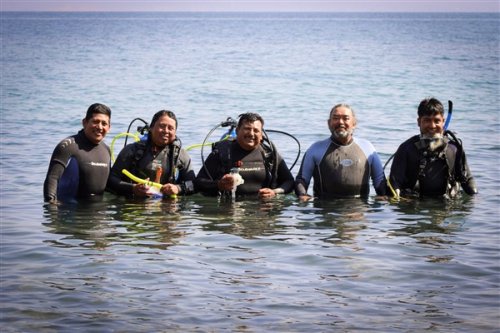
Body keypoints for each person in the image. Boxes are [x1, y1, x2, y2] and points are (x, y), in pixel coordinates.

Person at [295, 103, 387, 200]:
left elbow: (380, 181)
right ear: (329, 123)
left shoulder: (368, 148)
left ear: (354, 123)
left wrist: (384, 196)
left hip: (359, 210)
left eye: (346, 118)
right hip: (326, 209)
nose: (340, 122)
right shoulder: (315, 149)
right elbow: (302, 180)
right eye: (336, 118)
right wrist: (302, 195)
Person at [389, 97, 477, 198]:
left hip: (447, 208)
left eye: (437, 121)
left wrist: (475, 197)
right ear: (419, 122)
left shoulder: (454, 149)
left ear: (443, 121)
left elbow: (467, 179)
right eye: (427, 120)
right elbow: (394, 183)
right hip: (414, 207)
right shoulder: (406, 149)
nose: (432, 126)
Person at [195, 112, 294, 199]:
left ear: (261, 134)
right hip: (229, 212)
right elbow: (198, 183)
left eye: (256, 130)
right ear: (237, 130)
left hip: (261, 212)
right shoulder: (221, 153)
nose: (251, 134)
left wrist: (274, 192)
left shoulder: (269, 154)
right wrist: (219, 185)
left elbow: (289, 181)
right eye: (247, 129)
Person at [107, 110, 195, 198]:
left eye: (170, 128)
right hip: (134, 204)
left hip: (166, 207)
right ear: (151, 128)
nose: (166, 131)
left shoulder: (180, 155)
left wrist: (178, 188)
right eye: (162, 126)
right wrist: (132, 189)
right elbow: (111, 180)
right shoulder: (132, 150)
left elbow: (193, 185)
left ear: (175, 133)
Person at [44, 103, 112, 203]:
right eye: (95, 122)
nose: (100, 127)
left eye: (104, 123)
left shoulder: (106, 150)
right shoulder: (68, 146)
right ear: (84, 122)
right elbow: (52, 178)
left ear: (109, 128)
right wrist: (51, 208)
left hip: (99, 213)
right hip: (70, 211)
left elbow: (108, 184)